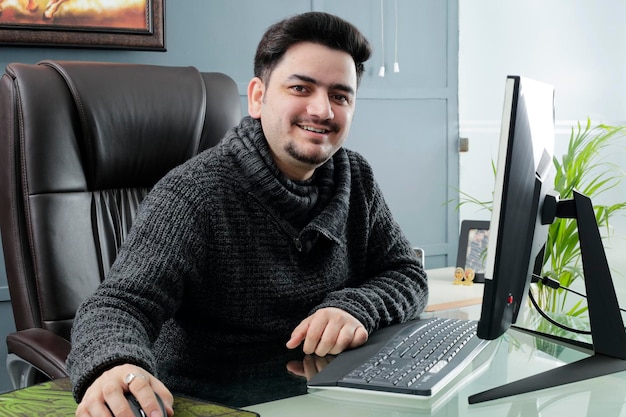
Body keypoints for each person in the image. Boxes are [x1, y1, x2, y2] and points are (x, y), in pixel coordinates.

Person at [67, 11, 428, 417]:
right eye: (300, 87)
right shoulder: (194, 193)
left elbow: (405, 272)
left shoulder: (354, 175)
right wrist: (116, 365)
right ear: (258, 96)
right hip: (213, 402)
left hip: (327, 396)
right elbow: (118, 305)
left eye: (340, 96)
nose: (322, 110)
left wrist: (353, 306)